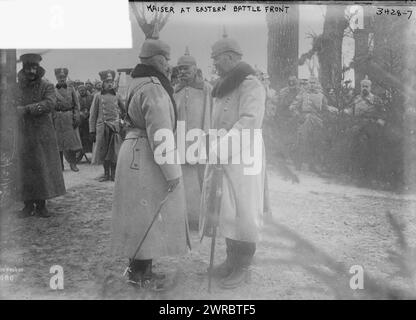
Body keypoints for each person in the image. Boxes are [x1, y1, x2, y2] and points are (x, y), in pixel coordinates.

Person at [112, 28, 190, 290]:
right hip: (146, 156)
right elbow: (161, 134)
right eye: (166, 59)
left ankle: (139, 270)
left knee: (137, 214)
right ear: (156, 60)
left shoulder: (134, 82)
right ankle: (141, 275)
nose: (168, 64)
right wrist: (173, 172)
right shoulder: (154, 88)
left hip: (133, 151)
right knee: (145, 214)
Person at [200, 32, 266, 289]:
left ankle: (243, 266)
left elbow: (249, 122)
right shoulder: (223, 85)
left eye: (216, 58)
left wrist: (220, 149)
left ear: (230, 58)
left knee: (244, 211)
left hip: (244, 156)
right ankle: (230, 260)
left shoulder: (251, 84)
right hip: (224, 153)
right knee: (226, 208)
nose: (214, 63)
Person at [13, 53, 66, 218]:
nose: (31, 71)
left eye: (34, 67)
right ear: (24, 68)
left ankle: (42, 205)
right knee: (26, 169)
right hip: (24, 133)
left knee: (42, 168)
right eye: (28, 67)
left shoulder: (47, 86)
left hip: (42, 134)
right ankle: (27, 205)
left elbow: (50, 103)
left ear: (38, 68)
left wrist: (27, 109)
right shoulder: (17, 87)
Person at [173, 46, 212, 228]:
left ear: (195, 68)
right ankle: (186, 217)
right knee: (184, 179)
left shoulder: (206, 89)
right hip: (180, 142)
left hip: (200, 141)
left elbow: (209, 116)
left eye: (186, 69)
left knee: (201, 178)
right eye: (180, 69)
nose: (182, 72)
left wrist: (205, 139)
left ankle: (203, 218)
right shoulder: (176, 91)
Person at [344, 76, 386, 185]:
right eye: (363, 86)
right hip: (357, 126)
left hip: (370, 127)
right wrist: (346, 113)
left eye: (366, 86)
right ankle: (355, 174)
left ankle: (368, 176)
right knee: (353, 147)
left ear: (370, 87)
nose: (364, 88)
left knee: (368, 149)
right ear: (360, 86)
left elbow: (382, 113)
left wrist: (380, 120)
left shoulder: (376, 100)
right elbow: (349, 111)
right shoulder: (356, 99)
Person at [89, 70, 125, 181]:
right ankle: (106, 174)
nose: (110, 84)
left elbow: (124, 111)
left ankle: (113, 174)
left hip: (114, 128)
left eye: (111, 81)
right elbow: (93, 115)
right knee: (104, 152)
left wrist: (121, 121)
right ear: (103, 83)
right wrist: (92, 131)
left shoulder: (117, 96)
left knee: (114, 152)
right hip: (102, 128)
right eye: (107, 81)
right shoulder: (98, 97)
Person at [289, 76, 329, 172]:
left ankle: (312, 165)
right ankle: (298, 164)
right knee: (301, 142)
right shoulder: (302, 95)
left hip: (317, 121)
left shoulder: (321, 96)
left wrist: (322, 118)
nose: (311, 85)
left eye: (313, 83)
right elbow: (292, 107)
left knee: (315, 142)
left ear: (317, 84)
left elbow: (325, 109)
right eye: (310, 83)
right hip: (304, 120)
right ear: (307, 84)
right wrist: (299, 116)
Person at [54, 67, 82, 172]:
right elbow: (51, 106)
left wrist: (76, 117)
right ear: (56, 77)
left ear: (66, 77)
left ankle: (73, 164)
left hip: (69, 117)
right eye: (59, 77)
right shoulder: (53, 89)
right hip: (58, 118)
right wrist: (53, 118)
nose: (62, 79)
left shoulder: (71, 89)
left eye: (63, 77)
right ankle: (60, 165)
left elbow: (76, 104)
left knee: (72, 143)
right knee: (59, 143)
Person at [77, 84, 94, 156]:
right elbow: (76, 108)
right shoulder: (77, 98)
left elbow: (93, 107)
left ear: (86, 90)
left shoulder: (91, 97)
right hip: (81, 120)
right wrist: (81, 113)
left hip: (90, 117)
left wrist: (89, 113)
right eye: (80, 91)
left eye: (83, 90)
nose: (82, 92)